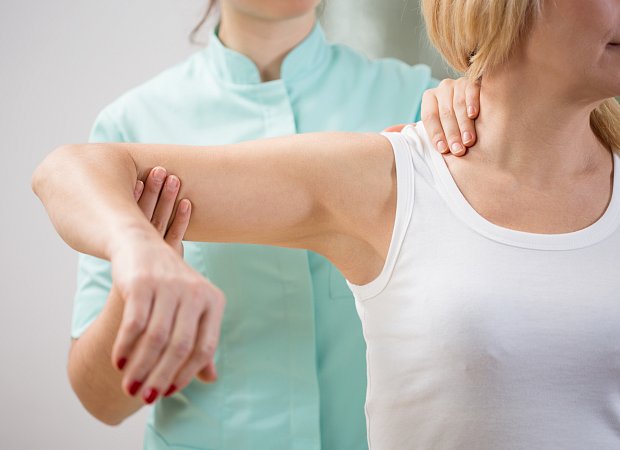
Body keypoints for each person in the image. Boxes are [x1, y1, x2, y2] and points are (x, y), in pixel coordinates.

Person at [33, 0, 620, 448]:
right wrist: (143, 262)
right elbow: (101, 400)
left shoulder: (425, 104)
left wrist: (481, 86)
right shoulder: (134, 124)